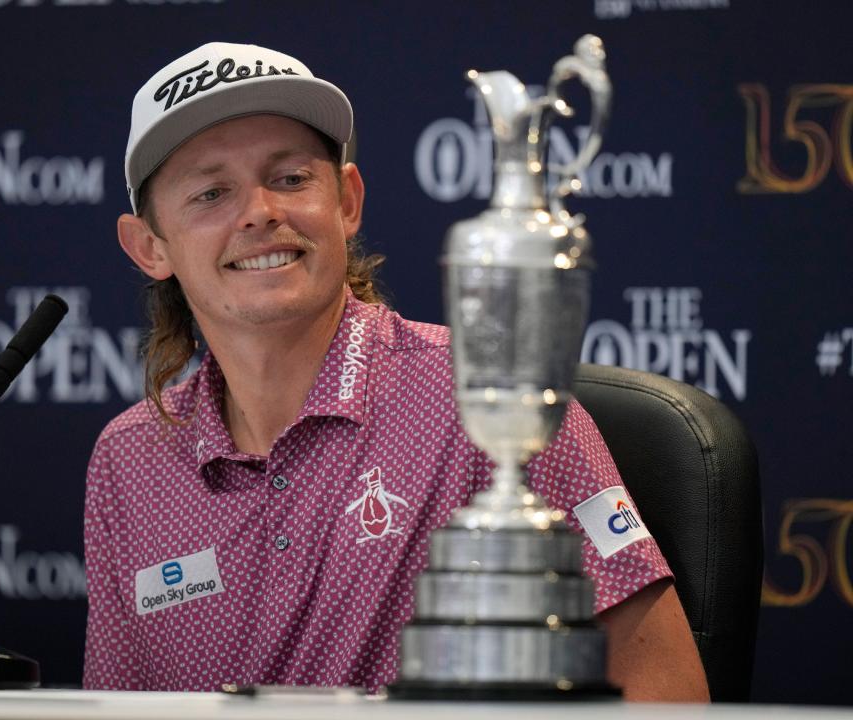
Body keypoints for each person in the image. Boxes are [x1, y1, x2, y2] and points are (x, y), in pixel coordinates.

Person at [84, 41, 709, 701]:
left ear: (347, 202)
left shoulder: (486, 401)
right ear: (150, 247)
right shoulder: (127, 461)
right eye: (212, 192)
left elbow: (664, 696)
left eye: (292, 178)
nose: (260, 212)